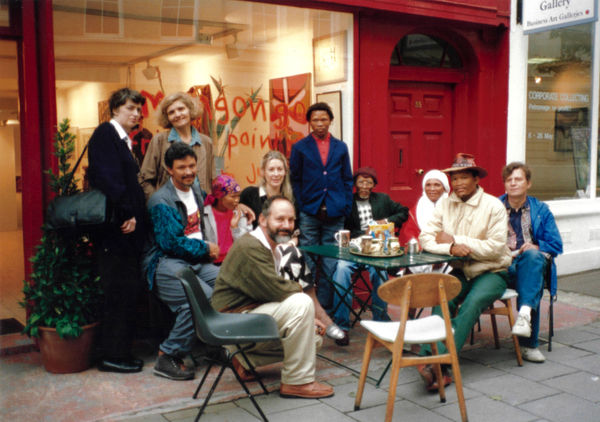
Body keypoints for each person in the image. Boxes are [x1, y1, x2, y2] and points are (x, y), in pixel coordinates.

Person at [211, 196, 335, 399]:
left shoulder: (269, 245)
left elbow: (270, 292)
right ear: (262, 219)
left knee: (312, 339)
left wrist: (306, 319)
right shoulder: (251, 247)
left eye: (291, 220)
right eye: (280, 219)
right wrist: (306, 312)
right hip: (231, 321)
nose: (286, 225)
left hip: (243, 315)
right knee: (302, 302)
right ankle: (297, 382)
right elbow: (275, 289)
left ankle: (244, 358)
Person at [417, 153, 512, 391]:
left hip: (492, 271)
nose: (458, 183)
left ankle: (440, 362)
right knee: (442, 296)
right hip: (461, 270)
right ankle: (432, 359)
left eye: (463, 178)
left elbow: (495, 248)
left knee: (472, 303)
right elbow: (425, 237)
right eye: (455, 178)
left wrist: (457, 240)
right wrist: (449, 247)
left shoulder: (493, 206)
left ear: (476, 180)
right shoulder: (446, 204)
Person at [142, 142, 220, 381]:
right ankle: (168, 354)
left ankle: (213, 345)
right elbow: (170, 243)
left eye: (192, 165)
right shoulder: (160, 200)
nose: (188, 171)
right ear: (169, 169)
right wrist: (205, 248)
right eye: (181, 167)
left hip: (194, 259)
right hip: (165, 262)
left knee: (226, 285)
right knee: (198, 298)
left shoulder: (195, 188)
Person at [87, 88, 148, 373]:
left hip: (124, 231)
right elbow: (107, 178)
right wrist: (127, 213)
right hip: (117, 230)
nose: (135, 114)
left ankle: (119, 351)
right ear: (115, 109)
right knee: (119, 291)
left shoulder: (123, 140)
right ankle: (113, 355)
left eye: (138, 109)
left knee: (125, 290)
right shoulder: (106, 134)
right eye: (130, 108)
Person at [331, 167, 408, 346]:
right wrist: (361, 232)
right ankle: (342, 325)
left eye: (369, 182)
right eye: (361, 182)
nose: (364, 186)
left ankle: (381, 319)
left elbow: (403, 211)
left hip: (374, 249)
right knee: (341, 270)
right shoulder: (347, 201)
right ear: (355, 184)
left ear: (374, 184)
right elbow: (339, 223)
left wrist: (385, 222)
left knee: (379, 271)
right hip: (353, 248)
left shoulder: (382, 199)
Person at [290, 102, 353, 312]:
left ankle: (325, 307)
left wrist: (345, 205)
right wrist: (301, 205)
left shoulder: (341, 147)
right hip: (310, 211)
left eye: (323, 119)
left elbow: (347, 179)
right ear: (309, 123)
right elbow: (295, 180)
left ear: (330, 121)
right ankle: (309, 306)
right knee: (308, 258)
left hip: (335, 212)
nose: (319, 124)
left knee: (330, 261)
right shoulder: (300, 148)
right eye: (315, 120)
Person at [500, 162, 563, 363]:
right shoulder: (495, 207)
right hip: (501, 266)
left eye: (518, 179)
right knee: (531, 278)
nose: (513, 183)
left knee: (533, 258)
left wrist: (537, 246)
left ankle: (525, 324)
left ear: (528, 183)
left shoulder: (541, 210)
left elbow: (556, 245)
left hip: (529, 266)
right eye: (509, 180)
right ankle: (528, 339)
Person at [140, 92, 214, 201]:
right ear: (167, 118)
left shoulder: (206, 142)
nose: (177, 114)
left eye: (181, 109)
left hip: (201, 209)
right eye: (171, 112)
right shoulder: (159, 141)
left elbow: (214, 181)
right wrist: (160, 203)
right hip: (170, 210)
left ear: (190, 110)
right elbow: (145, 180)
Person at [202, 175, 251, 264]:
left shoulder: (239, 213)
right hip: (212, 263)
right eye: (233, 196)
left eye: (238, 196)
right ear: (219, 196)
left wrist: (235, 227)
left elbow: (245, 244)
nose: (237, 200)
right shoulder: (205, 215)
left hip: (235, 261)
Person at [240, 150, 295, 229]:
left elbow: (296, 228)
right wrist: (239, 206)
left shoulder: (292, 197)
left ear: (285, 172)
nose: (276, 174)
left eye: (279, 169)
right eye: (271, 169)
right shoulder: (249, 194)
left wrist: (292, 242)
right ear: (263, 172)